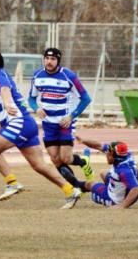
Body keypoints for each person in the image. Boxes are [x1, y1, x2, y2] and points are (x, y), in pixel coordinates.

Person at [0, 50, 81, 209]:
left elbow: (5, 91)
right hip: (27, 124)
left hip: (18, 122)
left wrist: (8, 103)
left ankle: (12, 183)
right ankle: (70, 190)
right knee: (39, 166)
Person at [28, 47, 93, 191]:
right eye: (47, 58)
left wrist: (71, 116)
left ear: (58, 61)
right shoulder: (37, 75)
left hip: (65, 123)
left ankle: (84, 161)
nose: (49, 62)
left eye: (53, 59)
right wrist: (36, 108)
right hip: (48, 124)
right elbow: (31, 98)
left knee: (65, 158)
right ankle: (76, 187)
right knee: (55, 159)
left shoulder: (69, 76)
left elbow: (86, 99)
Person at [75, 135, 138, 208]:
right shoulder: (126, 155)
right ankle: (113, 189)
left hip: (114, 200)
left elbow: (135, 190)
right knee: (103, 173)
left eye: (108, 154)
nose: (106, 155)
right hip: (125, 191)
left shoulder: (123, 170)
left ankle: (74, 188)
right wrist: (83, 141)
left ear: (113, 155)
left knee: (89, 184)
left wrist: (121, 206)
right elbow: (99, 145)